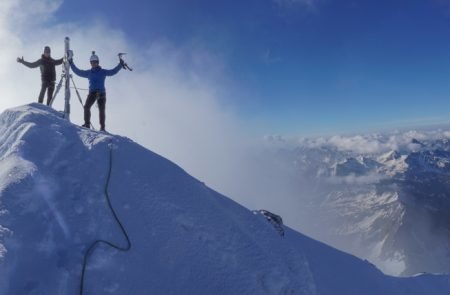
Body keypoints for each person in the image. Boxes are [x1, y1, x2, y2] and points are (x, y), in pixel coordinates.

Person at [68, 51, 123, 131]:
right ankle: (87, 124)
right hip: (92, 93)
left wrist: (120, 64)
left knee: (101, 110)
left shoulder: (103, 72)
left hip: (101, 94)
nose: (93, 64)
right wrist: (71, 63)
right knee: (86, 107)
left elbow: (113, 72)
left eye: (94, 62)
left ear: (97, 62)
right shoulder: (89, 73)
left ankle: (102, 128)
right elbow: (78, 72)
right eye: (92, 63)